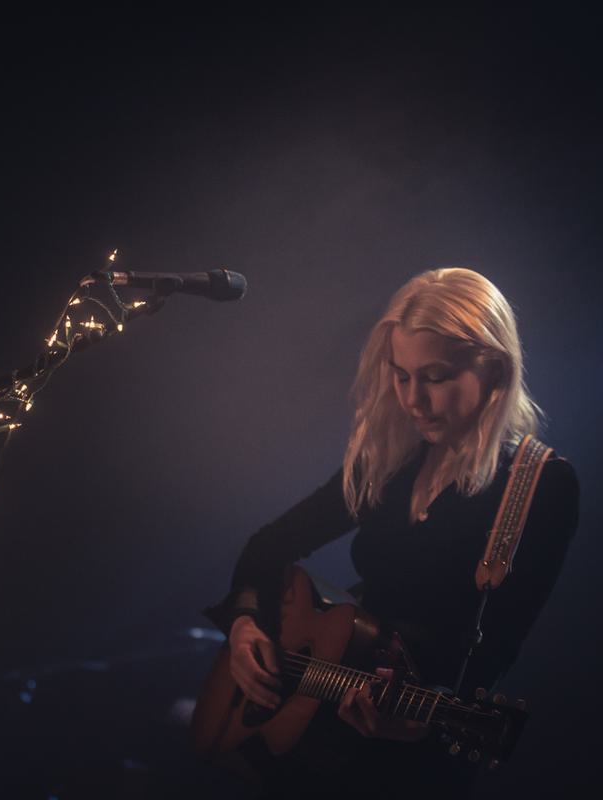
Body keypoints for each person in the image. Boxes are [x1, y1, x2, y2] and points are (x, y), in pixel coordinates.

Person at [203, 267, 580, 798]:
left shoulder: (540, 486)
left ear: (494, 368)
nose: (412, 401)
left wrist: (423, 716)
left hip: (413, 769)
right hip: (318, 740)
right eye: (400, 376)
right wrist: (244, 625)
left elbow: (495, 653)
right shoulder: (391, 460)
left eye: (436, 377)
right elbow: (270, 545)